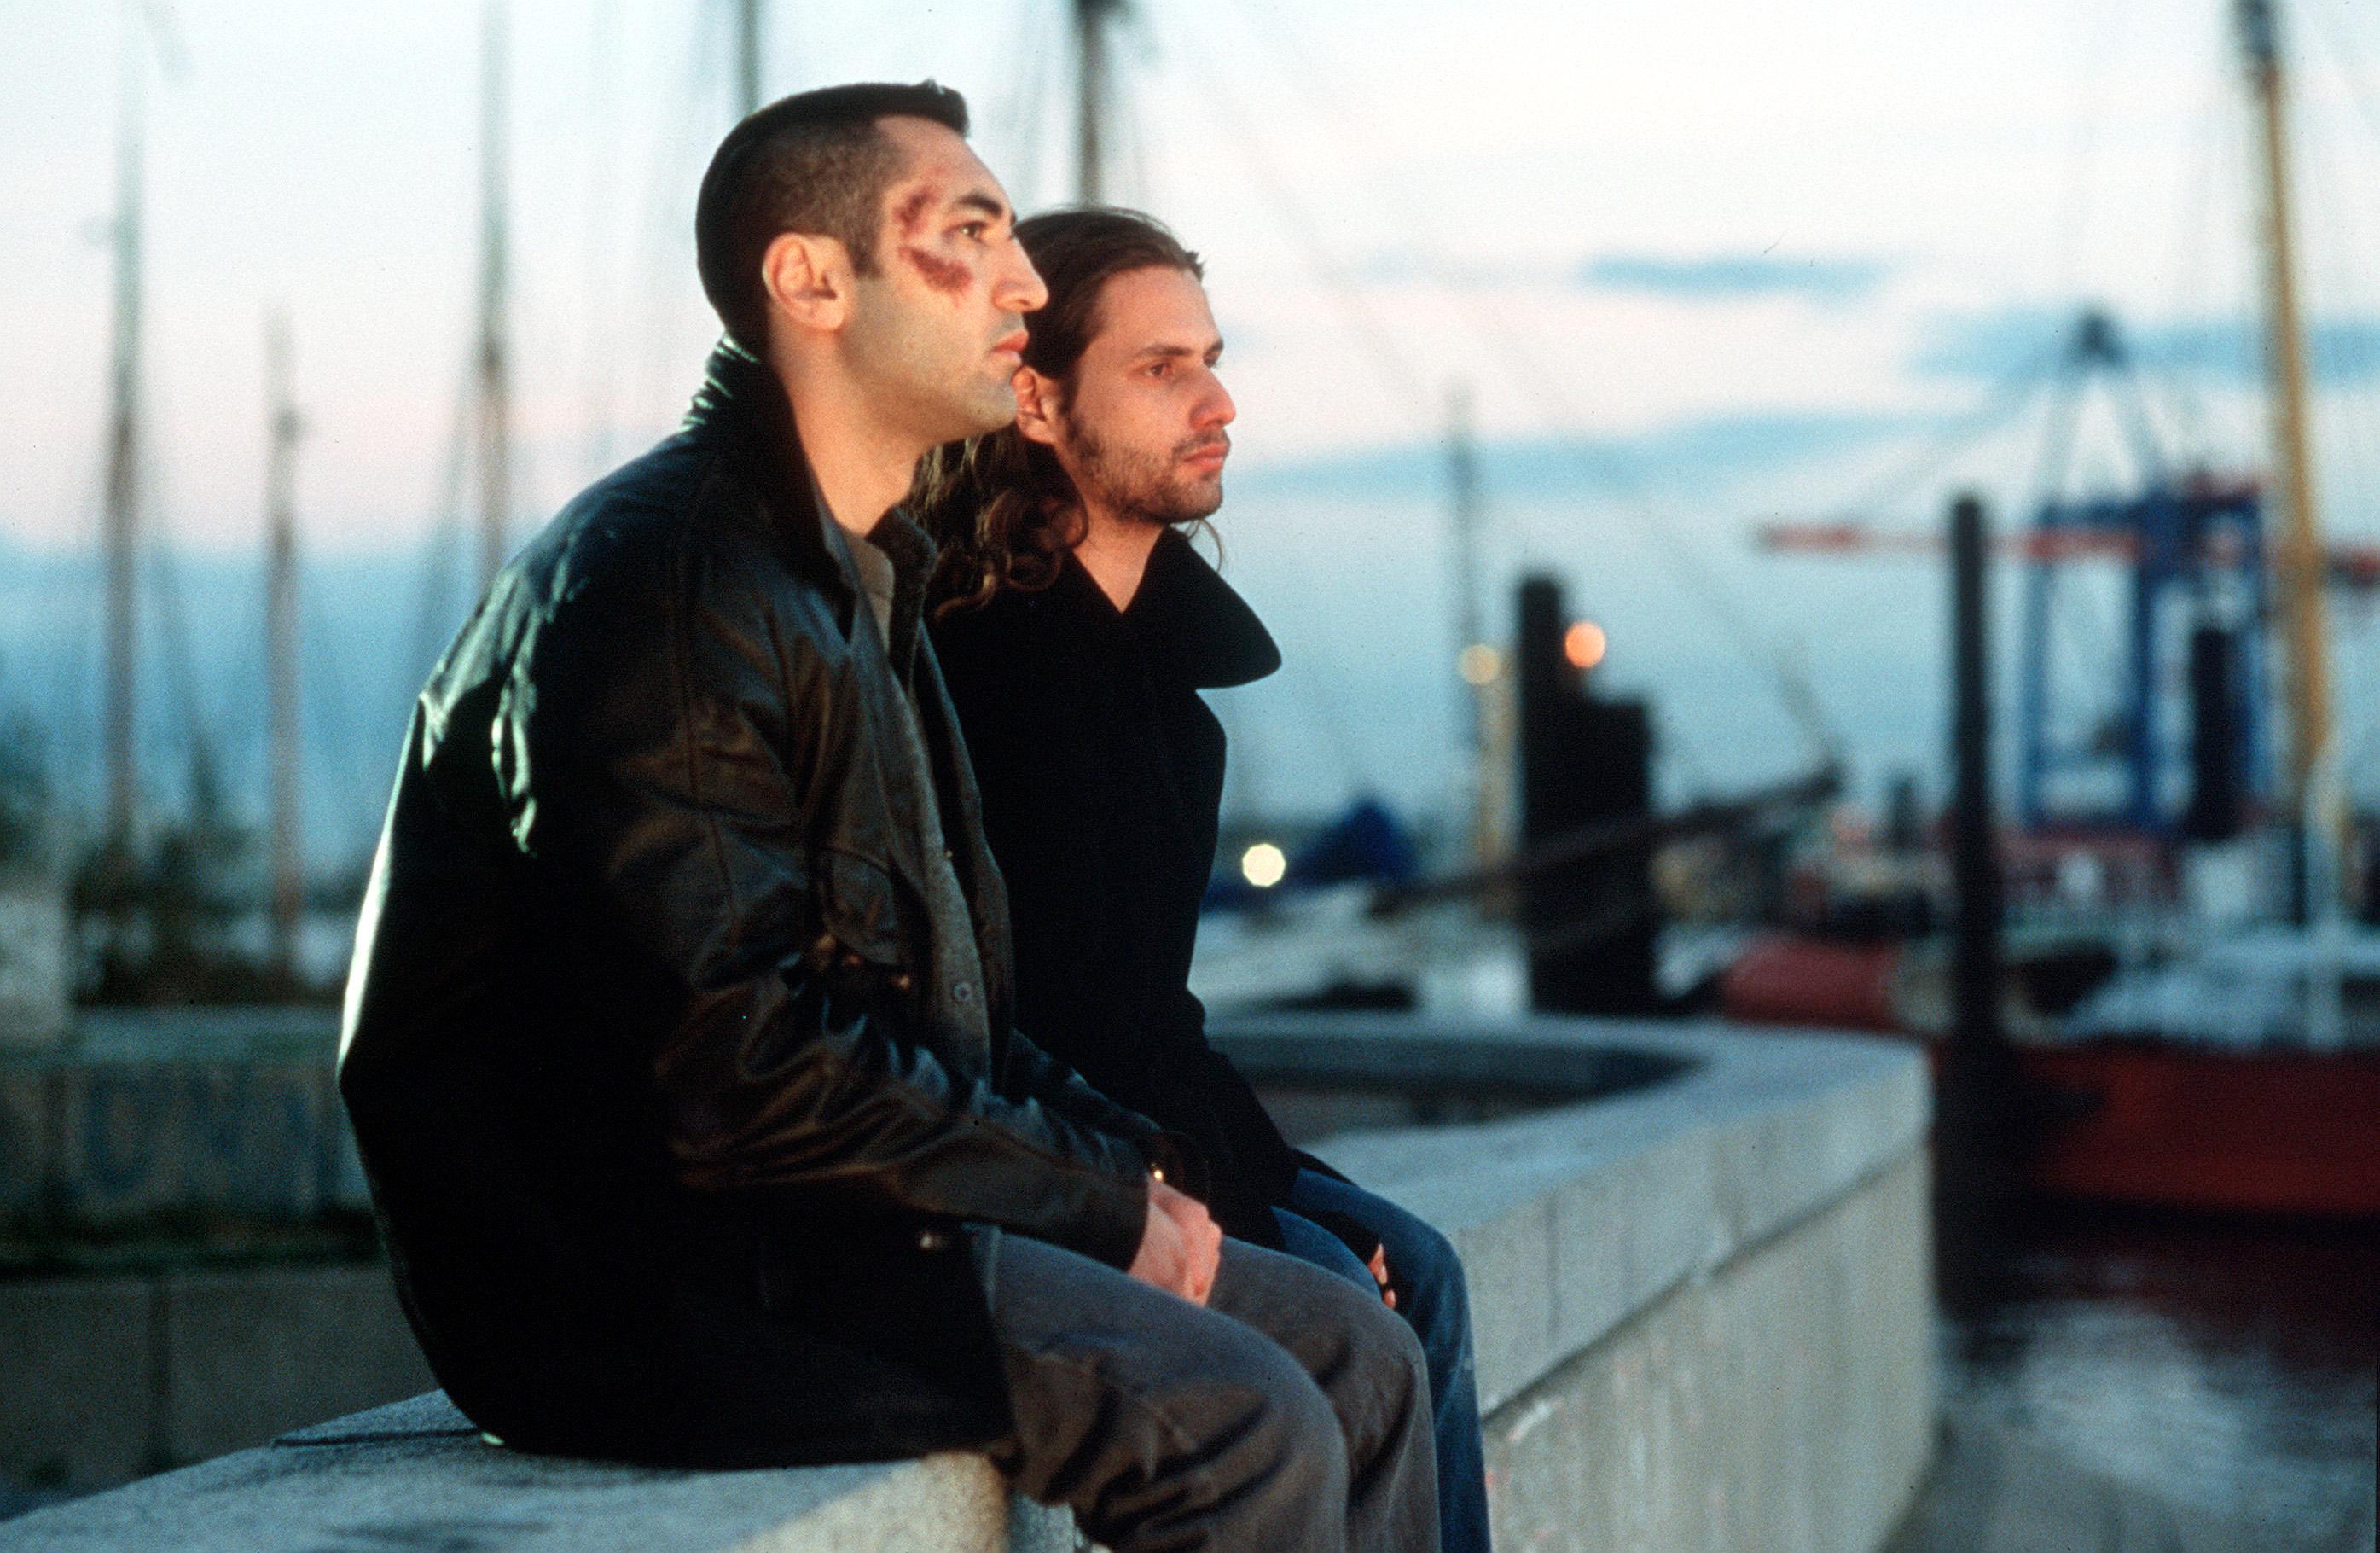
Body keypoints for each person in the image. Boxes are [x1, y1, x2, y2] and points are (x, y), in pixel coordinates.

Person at [338, 84, 1439, 1552]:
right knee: (1238, 1415)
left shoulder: (865, 579)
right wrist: (1103, 1196)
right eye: (969, 236)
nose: (1024, 283)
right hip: (647, 1276)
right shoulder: (671, 587)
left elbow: (946, 1008)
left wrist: (1139, 1168)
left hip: (828, 1221)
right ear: (812, 282)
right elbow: (737, 1062)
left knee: (1357, 1347)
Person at [920, 207, 1492, 1553]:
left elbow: (1151, 1014)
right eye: (1161, 366)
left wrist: (1269, 1187)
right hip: (1043, 1164)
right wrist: (1246, 1211)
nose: (1218, 399)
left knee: (1429, 1271)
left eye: (1212, 357)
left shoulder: (1167, 698)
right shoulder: (978, 676)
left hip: (1141, 1130)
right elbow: (1042, 1024)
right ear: (1037, 402)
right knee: (1364, 1323)